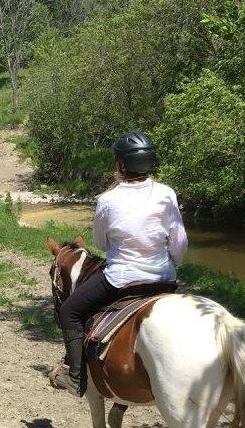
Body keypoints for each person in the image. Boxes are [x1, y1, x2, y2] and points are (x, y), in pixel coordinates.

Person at [52, 131, 188, 395]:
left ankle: (76, 377)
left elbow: (101, 243)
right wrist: (171, 264)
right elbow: (179, 243)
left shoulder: (107, 200)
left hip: (121, 280)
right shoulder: (166, 193)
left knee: (69, 311)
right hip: (165, 278)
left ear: (121, 164)